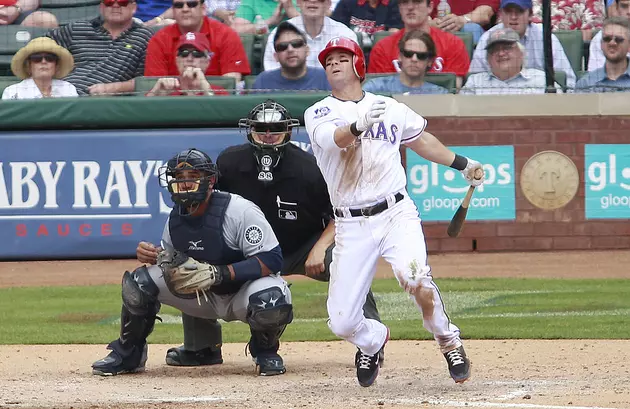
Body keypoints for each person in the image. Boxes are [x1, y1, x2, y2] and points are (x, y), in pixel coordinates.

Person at [304, 36, 483, 387]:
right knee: (341, 322)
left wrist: (462, 163)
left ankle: (448, 340)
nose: (334, 64)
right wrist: (357, 125)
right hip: (351, 224)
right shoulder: (318, 111)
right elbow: (332, 140)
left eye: (342, 58)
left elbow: (421, 139)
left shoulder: (390, 106)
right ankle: (373, 340)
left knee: (415, 277)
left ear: (359, 65)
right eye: (328, 61)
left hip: (395, 213)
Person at [164, 100, 386, 368]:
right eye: (261, 128)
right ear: (250, 130)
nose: (268, 134)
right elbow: (210, 202)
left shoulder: (310, 167)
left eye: (275, 128)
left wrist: (320, 248)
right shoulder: (230, 161)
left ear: (288, 131)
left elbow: (341, 213)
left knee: (348, 267)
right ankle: (202, 347)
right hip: (246, 249)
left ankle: (371, 343)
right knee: (197, 261)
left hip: (301, 247)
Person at [92, 148, 293, 377]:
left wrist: (220, 273)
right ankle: (129, 353)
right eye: (179, 178)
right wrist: (157, 255)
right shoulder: (175, 219)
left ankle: (265, 353)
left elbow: (272, 258)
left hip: (243, 294)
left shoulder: (238, 210)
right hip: (205, 297)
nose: (185, 184)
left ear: (210, 180)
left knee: (270, 300)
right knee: (139, 283)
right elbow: (176, 267)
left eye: (193, 177)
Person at [47, 0, 153, 96]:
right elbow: (40, 46)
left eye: (122, 2)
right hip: (61, 92)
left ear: (133, 7)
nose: (115, 6)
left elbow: (146, 81)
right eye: (109, 2)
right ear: (102, 7)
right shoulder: (78, 28)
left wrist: (113, 88)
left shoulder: (143, 36)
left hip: (102, 102)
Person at [468, 0, 576, 88]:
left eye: (519, 11)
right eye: (508, 11)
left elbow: (568, 82)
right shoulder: (488, 38)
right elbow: (475, 78)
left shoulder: (545, 37)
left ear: (530, 15)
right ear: (501, 14)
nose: (513, 17)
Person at [367, 0, 470, 89]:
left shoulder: (453, 44)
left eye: (417, 1)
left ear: (430, 7)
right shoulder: (383, 47)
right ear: (399, 8)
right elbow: (379, 89)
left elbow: (453, 89)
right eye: (404, 2)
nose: (410, 7)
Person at [144, 0, 251, 81]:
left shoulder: (226, 35)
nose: (185, 9)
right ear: (173, 11)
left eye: (191, 4)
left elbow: (231, 83)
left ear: (203, 9)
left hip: (215, 104)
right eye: (179, 5)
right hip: (172, 105)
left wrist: (203, 89)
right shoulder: (159, 40)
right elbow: (155, 86)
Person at [461, 27, 563, 94]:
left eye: (507, 48)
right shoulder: (475, 83)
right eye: (494, 50)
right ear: (488, 59)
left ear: (521, 53)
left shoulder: (542, 81)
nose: (501, 53)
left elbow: (561, 111)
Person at [262, 0, 357, 71]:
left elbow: (351, 73)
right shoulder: (279, 33)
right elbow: (272, 73)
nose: (312, 1)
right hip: (291, 93)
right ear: (298, 2)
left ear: (328, 4)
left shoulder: (344, 34)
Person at [363, 30, 449, 94]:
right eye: (408, 54)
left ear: (430, 61)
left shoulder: (440, 94)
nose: (414, 59)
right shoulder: (374, 88)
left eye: (421, 56)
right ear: (400, 56)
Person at [253, 22, 331, 92]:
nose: (290, 49)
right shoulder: (263, 81)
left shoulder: (325, 77)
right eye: (282, 47)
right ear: (276, 56)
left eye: (296, 44)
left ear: (307, 51)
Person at [146, 32, 230, 96]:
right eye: (184, 53)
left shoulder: (219, 92)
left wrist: (206, 90)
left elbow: (226, 115)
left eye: (197, 54)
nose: (189, 59)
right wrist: (155, 95)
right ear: (177, 61)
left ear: (207, 62)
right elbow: (140, 114)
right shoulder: (165, 89)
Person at [3, 37, 77, 99]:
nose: (43, 62)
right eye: (36, 58)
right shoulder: (13, 92)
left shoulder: (68, 88)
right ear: (28, 66)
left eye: (50, 58)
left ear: (56, 66)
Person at [577, 16, 630, 92]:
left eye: (619, 39)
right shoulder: (585, 84)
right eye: (607, 39)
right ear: (601, 44)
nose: (612, 43)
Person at [589, 0, 630, 72]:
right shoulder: (603, 37)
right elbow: (595, 77)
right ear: (616, 8)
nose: (629, 11)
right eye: (624, 6)